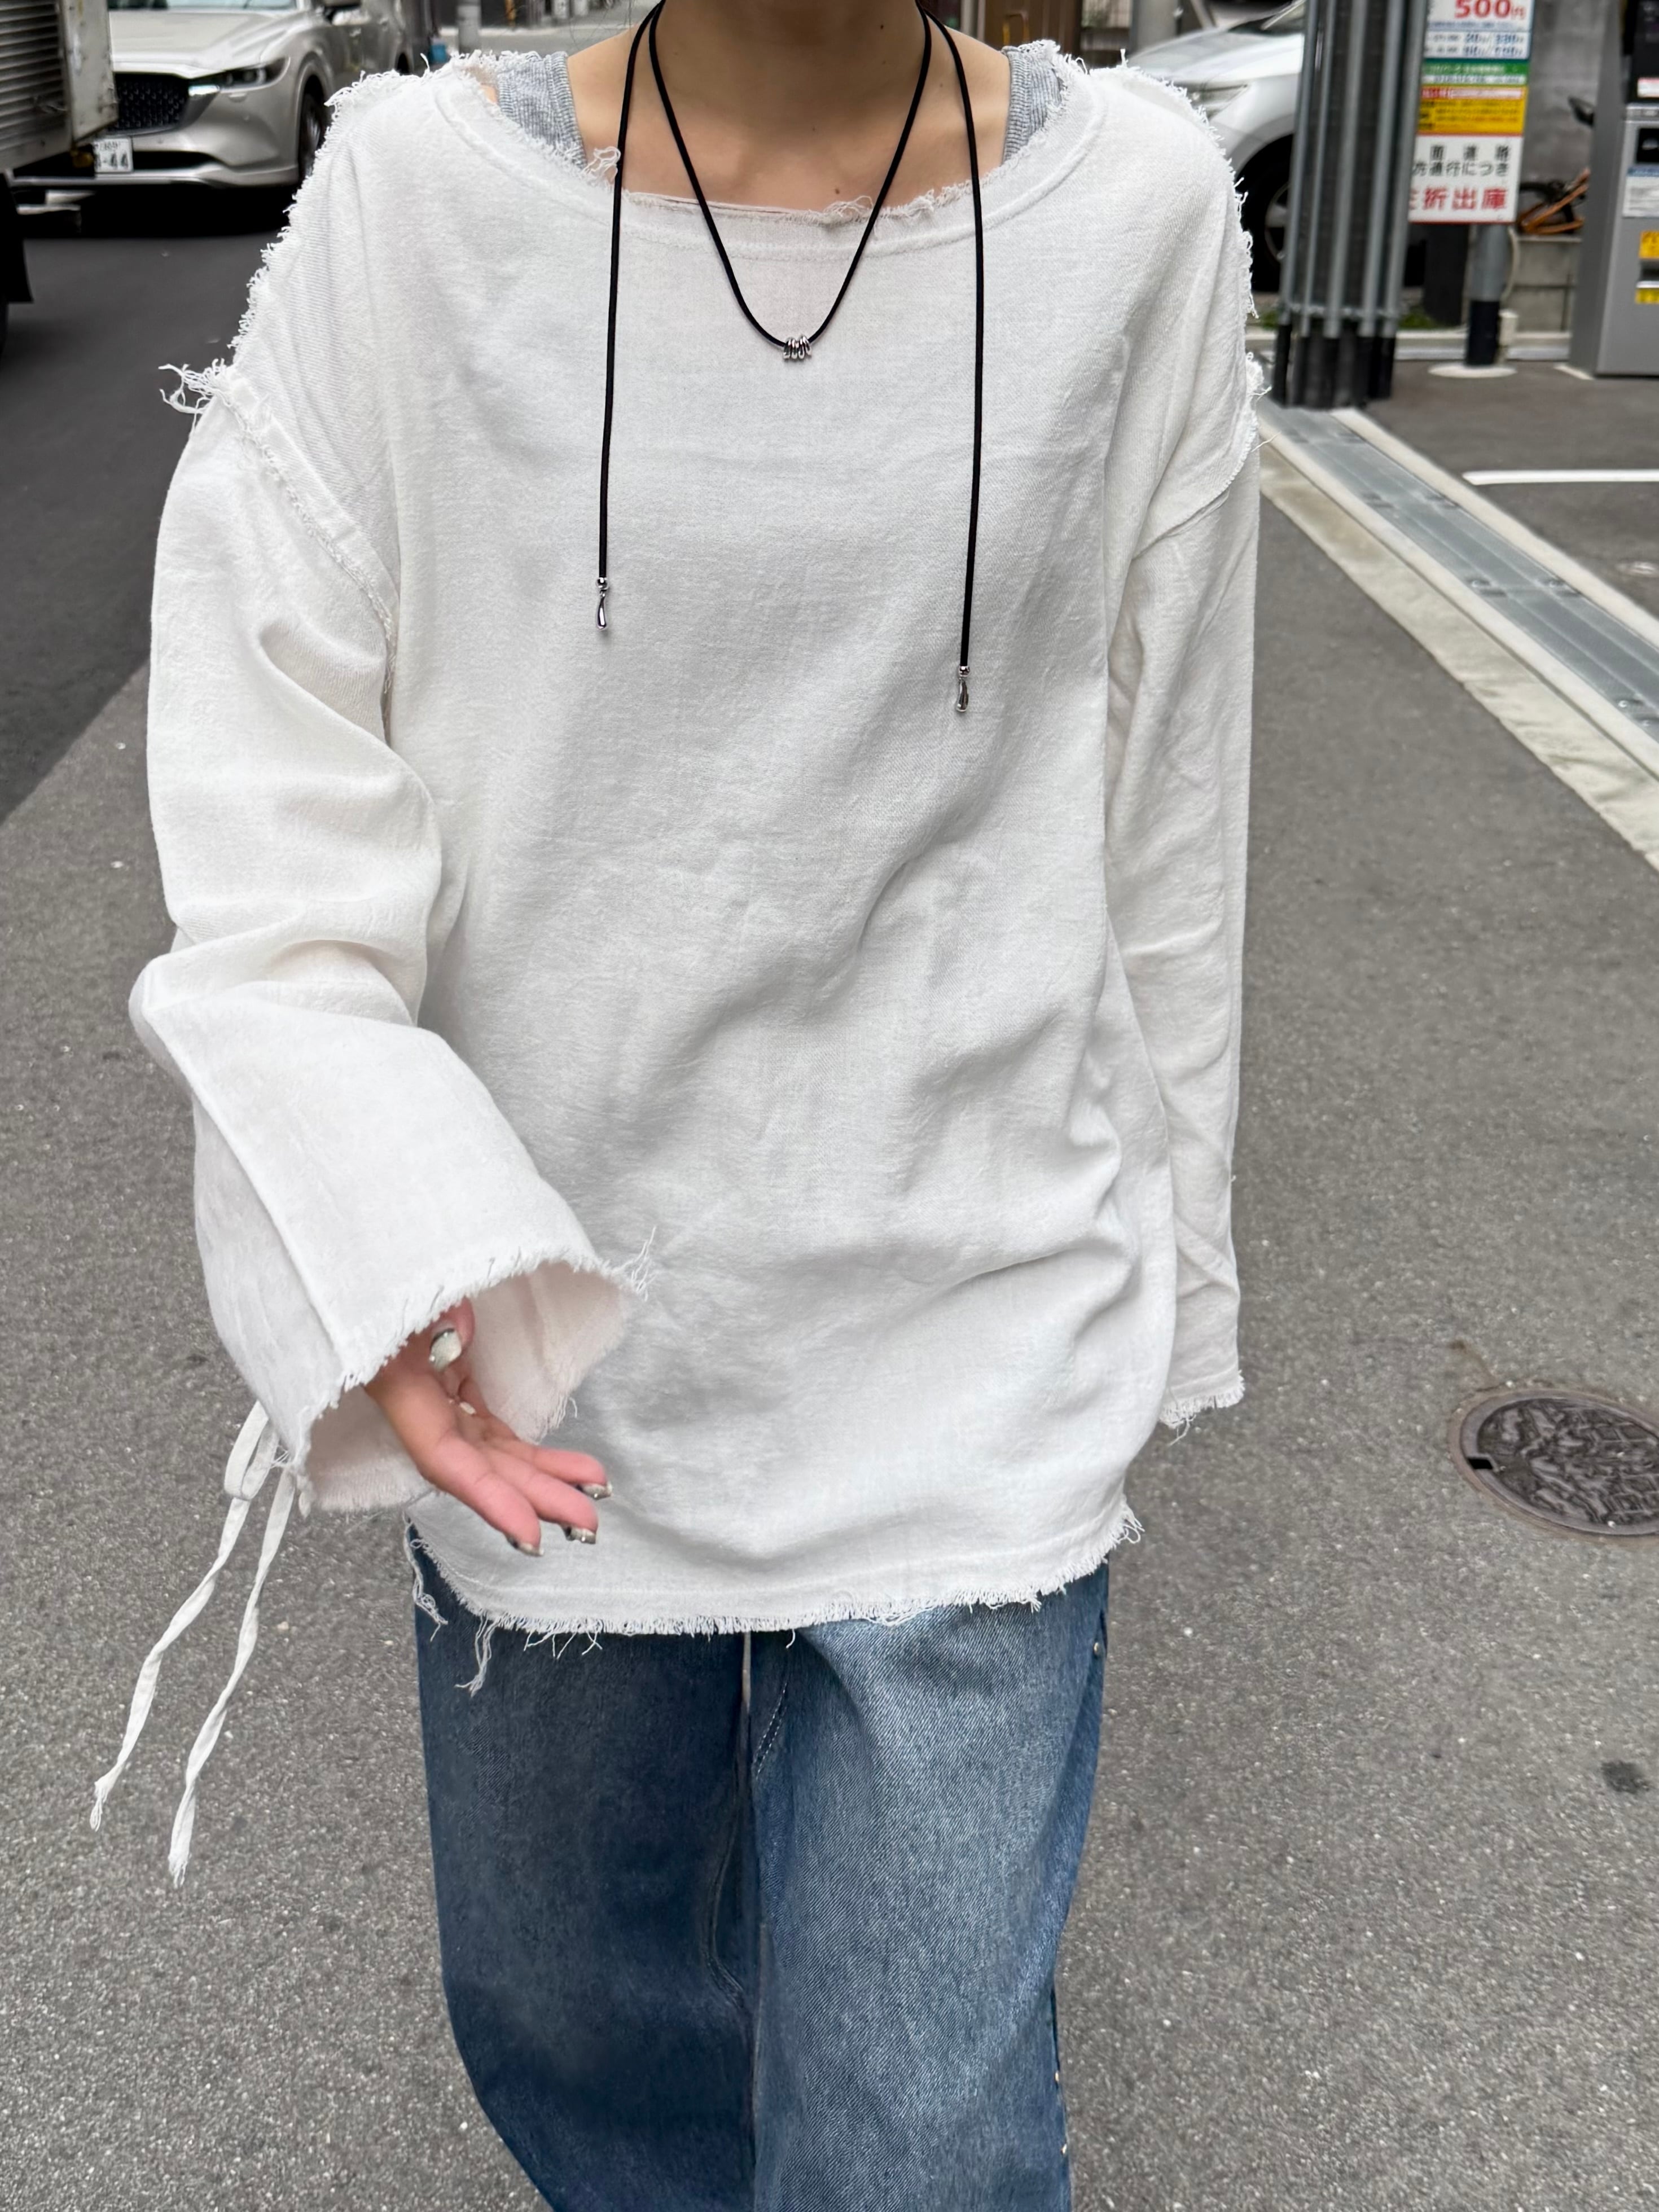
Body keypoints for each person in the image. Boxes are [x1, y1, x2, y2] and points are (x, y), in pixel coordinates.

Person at [107, 1, 1259, 2203]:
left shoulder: (1134, 213)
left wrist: (1169, 1288)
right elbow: (270, 773)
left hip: (983, 1308)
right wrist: (380, 1232)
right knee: (573, 2017)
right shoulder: (419, 204)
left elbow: (1166, 801)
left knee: (921, 2142)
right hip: (553, 1332)